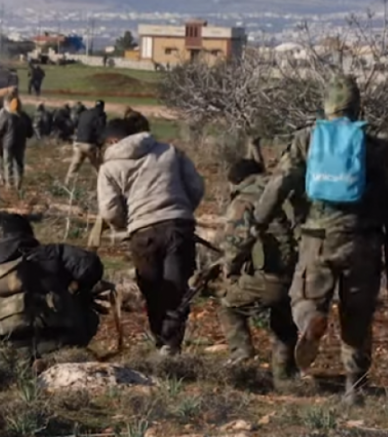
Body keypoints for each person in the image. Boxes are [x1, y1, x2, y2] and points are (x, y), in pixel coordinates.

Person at [248, 75, 388, 405]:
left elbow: (279, 185)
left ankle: (310, 320)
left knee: (303, 296)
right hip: (364, 240)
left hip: (317, 238)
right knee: (357, 313)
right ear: (357, 106)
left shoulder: (308, 139)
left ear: (327, 106)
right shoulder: (378, 144)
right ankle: (354, 385)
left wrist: (258, 222)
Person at [97, 118, 204, 356]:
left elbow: (110, 211)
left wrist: (127, 224)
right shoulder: (170, 152)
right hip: (179, 227)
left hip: (143, 233)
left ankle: (161, 342)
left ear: (113, 141)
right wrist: (181, 211)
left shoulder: (110, 168)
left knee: (152, 289)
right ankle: (172, 345)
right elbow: (196, 187)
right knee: (177, 288)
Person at [212, 146, 299, 381]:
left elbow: (235, 244)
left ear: (236, 181)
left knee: (228, 304)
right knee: (284, 322)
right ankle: (284, 375)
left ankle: (242, 355)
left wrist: (229, 271)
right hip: (298, 278)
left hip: (267, 278)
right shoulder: (288, 195)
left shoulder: (245, 200)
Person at [0, 214, 104, 355]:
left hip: (10, 356)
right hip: (59, 347)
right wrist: (76, 290)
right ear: (29, 233)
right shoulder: (52, 253)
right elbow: (90, 264)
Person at [0, 96, 34, 189]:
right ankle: (19, 183)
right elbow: (30, 133)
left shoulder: (7, 116)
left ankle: (9, 184)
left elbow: (0, 130)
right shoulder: (25, 117)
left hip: (8, 144)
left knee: (8, 164)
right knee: (19, 164)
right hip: (20, 144)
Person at [66, 100, 107, 184]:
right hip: (89, 144)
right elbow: (100, 130)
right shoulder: (100, 115)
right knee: (99, 166)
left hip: (77, 143)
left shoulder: (85, 113)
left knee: (75, 164)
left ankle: (68, 181)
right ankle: (104, 182)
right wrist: (100, 145)